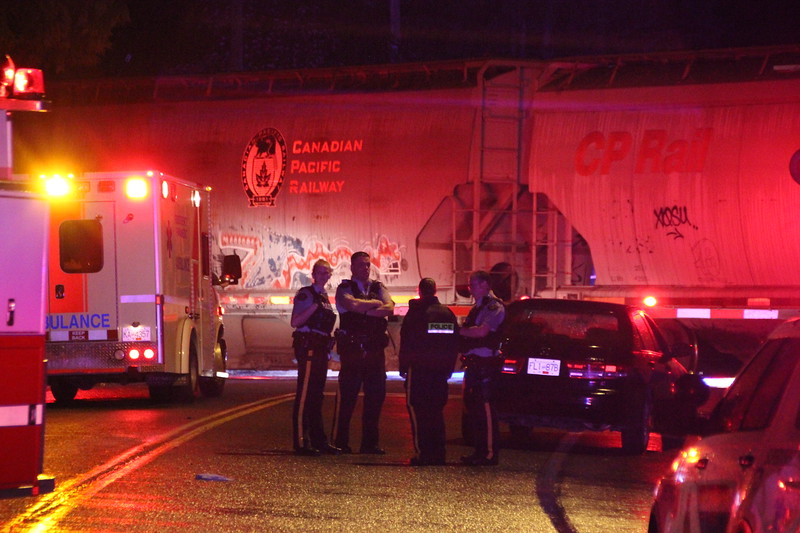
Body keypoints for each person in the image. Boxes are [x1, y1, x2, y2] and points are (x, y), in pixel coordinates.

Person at [331, 251, 395, 454]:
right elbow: (351, 304)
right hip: (353, 351)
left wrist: (365, 308)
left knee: (375, 399)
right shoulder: (344, 288)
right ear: (352, 267)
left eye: (367, 265)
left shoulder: (378, 287)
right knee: (347, 399)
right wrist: (376, 305)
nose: (365, 268)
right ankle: (340, 442)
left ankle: (370, 444)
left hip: (375, 352)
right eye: (360, 265)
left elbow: (390, 307)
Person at [399, 278, 460, 466]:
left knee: (418, 411)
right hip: (440, 372)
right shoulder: (447, 314)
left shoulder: (416, 313)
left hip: (419, 370)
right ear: (435, 291)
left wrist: (404, 367)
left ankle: (423, 453)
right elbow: (453, 343)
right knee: (436, 412)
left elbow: (407, 341)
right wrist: (449, 368)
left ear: (419, 291)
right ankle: (438, 453)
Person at [290, 259, 341, 456]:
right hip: (308, 347)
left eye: (327, 272)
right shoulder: (306, 294)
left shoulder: (324, 296)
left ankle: (319, 441)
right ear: (314, 273)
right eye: (320, 272)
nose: (324, 275)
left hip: (320, 349)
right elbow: (296, 321)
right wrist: (314, 307)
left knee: (316, 396)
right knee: (304, 395)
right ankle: (302, 442)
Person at [459, 270, 506, 466]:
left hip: (486, 365)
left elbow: (482, 332)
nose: (471, 288)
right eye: (470, 284)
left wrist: (458, 331)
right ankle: (479, 451)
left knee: (485, 411)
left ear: (486, 285)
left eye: (474, 284)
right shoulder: (477, 307)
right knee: (474, 410)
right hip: (474, 364)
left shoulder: (494, 307)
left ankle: (489, 453)